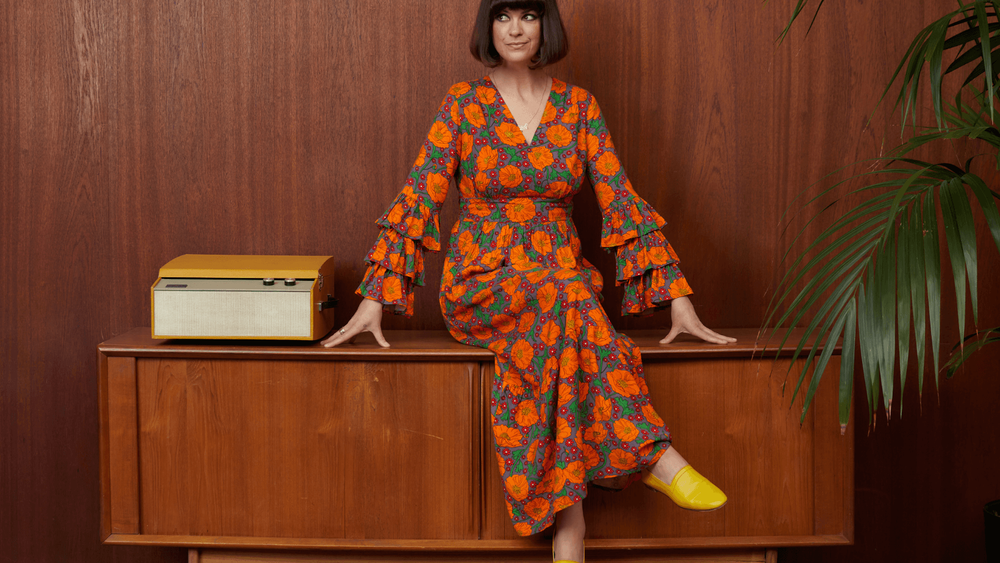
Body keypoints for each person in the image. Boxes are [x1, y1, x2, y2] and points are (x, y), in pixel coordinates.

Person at [322, 1, 736, 561]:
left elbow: (619, 197)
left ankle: (571, 530)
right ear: (488, 27)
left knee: (562, 316)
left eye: (528, 15)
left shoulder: (580, 107)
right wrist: (375, 299)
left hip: (560, 288)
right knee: (568, 297)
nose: (515, 29)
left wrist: (679, 302)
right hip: (481, 283)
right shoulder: (463, 104)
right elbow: (421, 191)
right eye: (503, 16)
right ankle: (658, 459)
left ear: (547, 24)